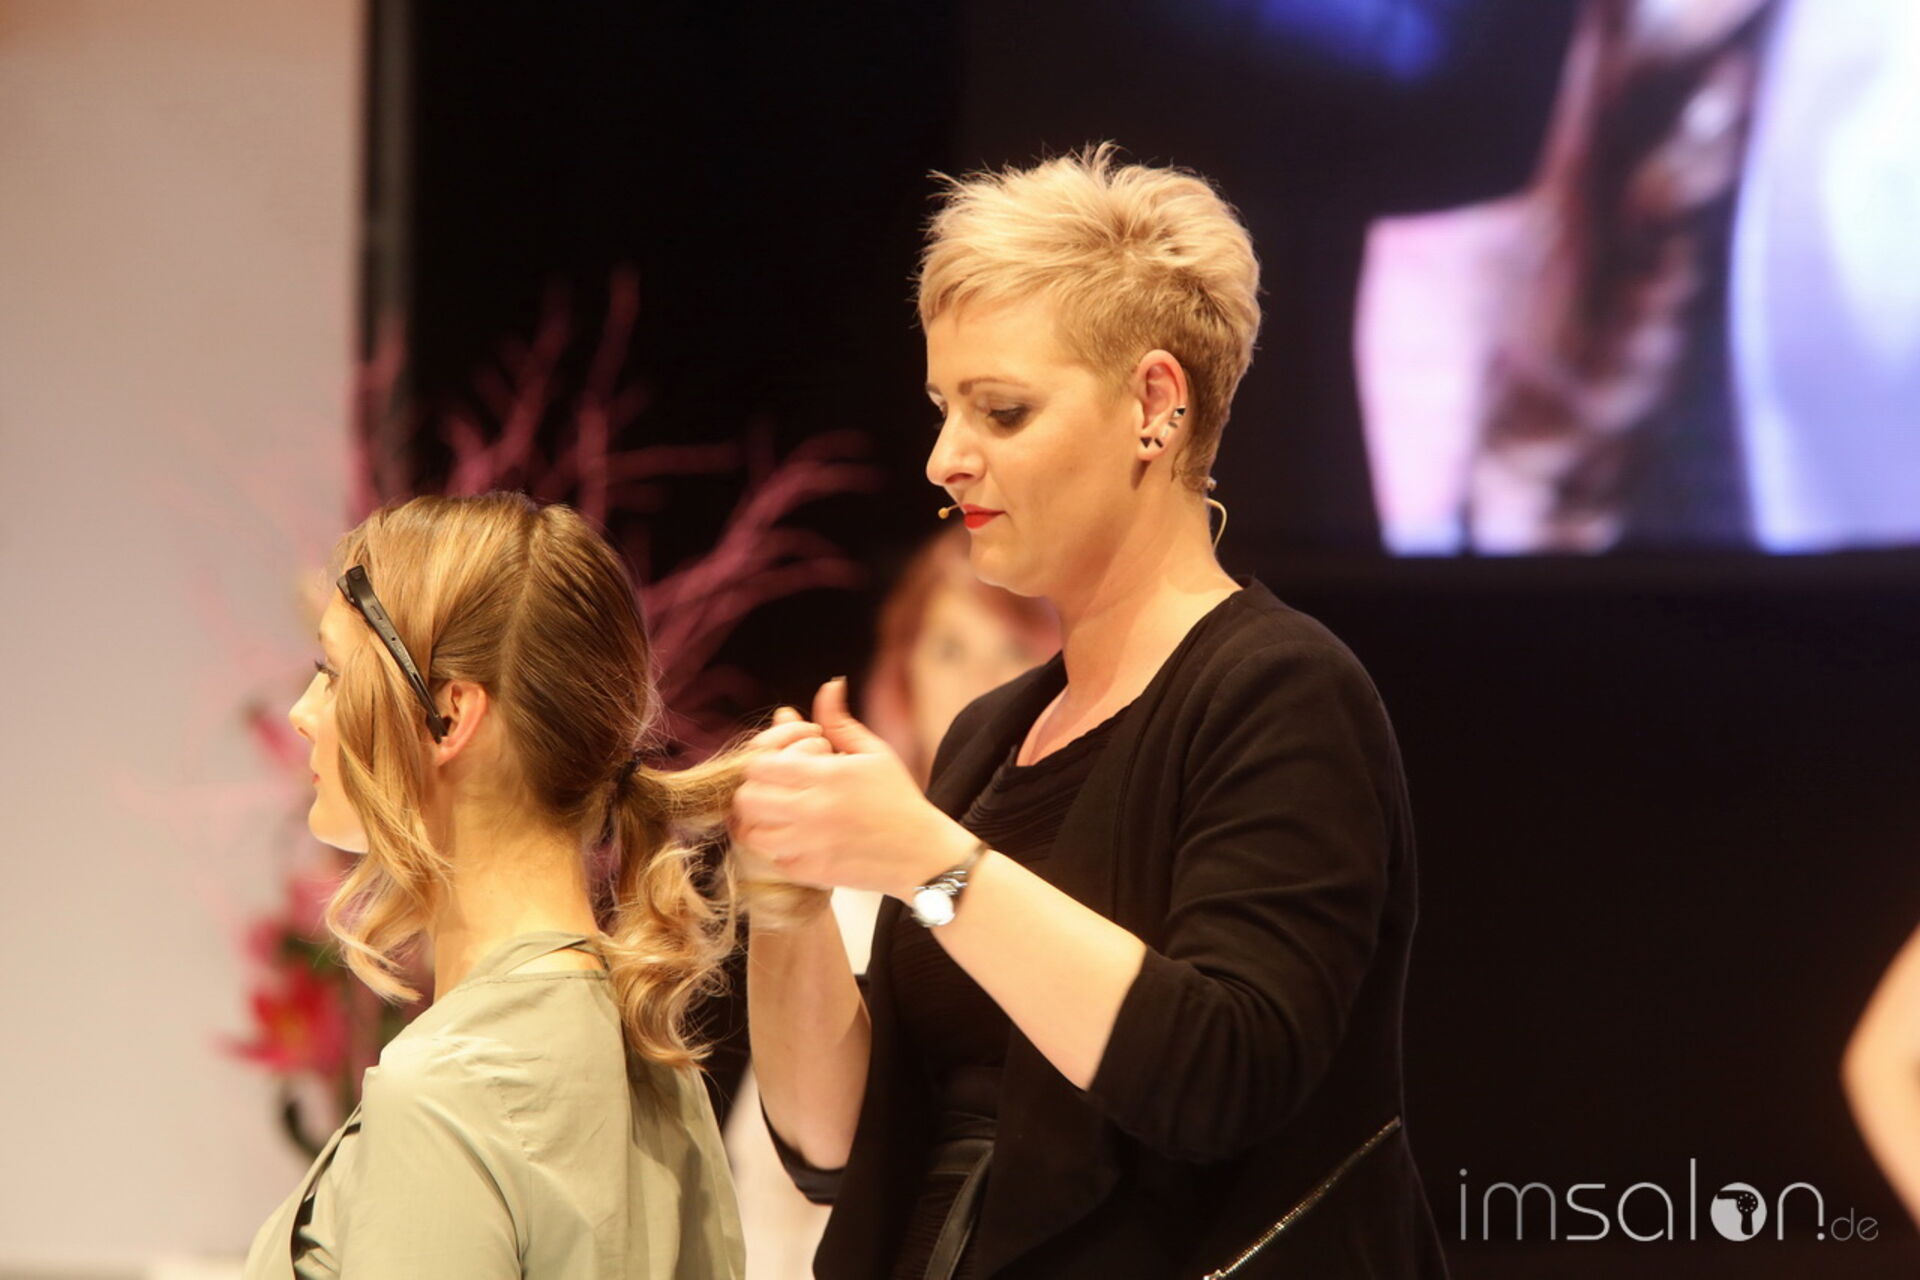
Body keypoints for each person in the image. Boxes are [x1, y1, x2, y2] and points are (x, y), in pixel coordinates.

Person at [734, 146, 1448, 1278]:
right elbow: (838, 1150)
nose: (945, 458)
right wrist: (787, 907)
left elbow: (1223, 1072)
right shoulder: (988, 739)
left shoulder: (1281, 692)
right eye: (943, 409)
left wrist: (927, 859)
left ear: (1155, 405)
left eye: (1002, 411)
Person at [245, 492, 745, 1278]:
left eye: (333, 674)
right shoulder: (653, 1067)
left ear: (450, 715)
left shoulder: (449, 1088)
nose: (305, 714)